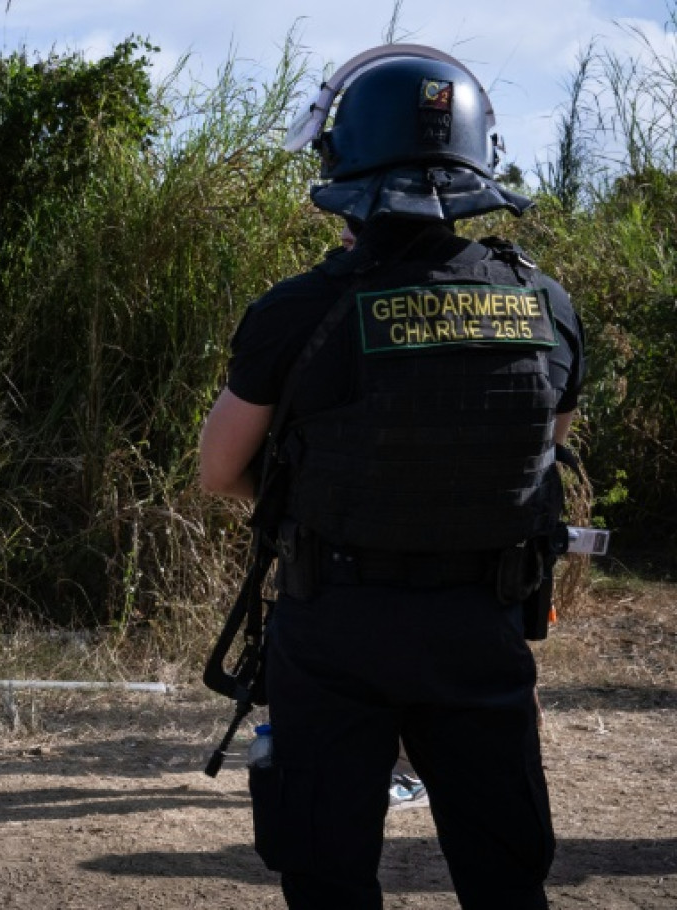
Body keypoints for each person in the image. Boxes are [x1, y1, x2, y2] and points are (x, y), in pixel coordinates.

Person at [198, 47, 585, 909]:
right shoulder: (545, 305)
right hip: (480, 628)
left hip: (335, 625)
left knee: (329, 879)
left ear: (346, 170)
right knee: (507, 879)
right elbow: (541, 445)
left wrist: (320, 497)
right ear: (479, 160)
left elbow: (219, 469)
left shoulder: (296, 309)